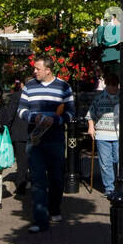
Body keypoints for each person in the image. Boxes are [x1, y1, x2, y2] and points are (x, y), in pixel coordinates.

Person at [17, 55, 74, 233]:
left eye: (37, 69)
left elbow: (71, 114)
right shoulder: (29, 86)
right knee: (38, 180)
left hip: (55, 138)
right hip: (35, 139)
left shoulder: (64, 87)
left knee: (57, 178)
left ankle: (54, 208)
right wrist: (35, 117)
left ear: (48, 70)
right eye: (34, 69)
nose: (34, 71)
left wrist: (55, 120)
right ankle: (40, 220)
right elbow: (21, 110)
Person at [86, 71, 121, 197]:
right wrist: (91, 127)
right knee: (105, 163)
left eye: (115, 85)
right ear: (106, 85)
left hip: (118, 135)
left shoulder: (122, 97)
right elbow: (90, 113)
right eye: (111, 85)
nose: (114, 88)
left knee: (118, 160)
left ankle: (119, 184)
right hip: (102, 135)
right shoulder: (99, 98)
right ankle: (109, 188)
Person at [7, 77, 29, 196]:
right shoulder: (36, 96)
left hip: (19, 133)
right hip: (33, 133)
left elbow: (10, 115)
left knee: (21, 163)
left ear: (22, 85)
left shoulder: (16, 96)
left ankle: (21, 188)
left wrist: (7, 130)